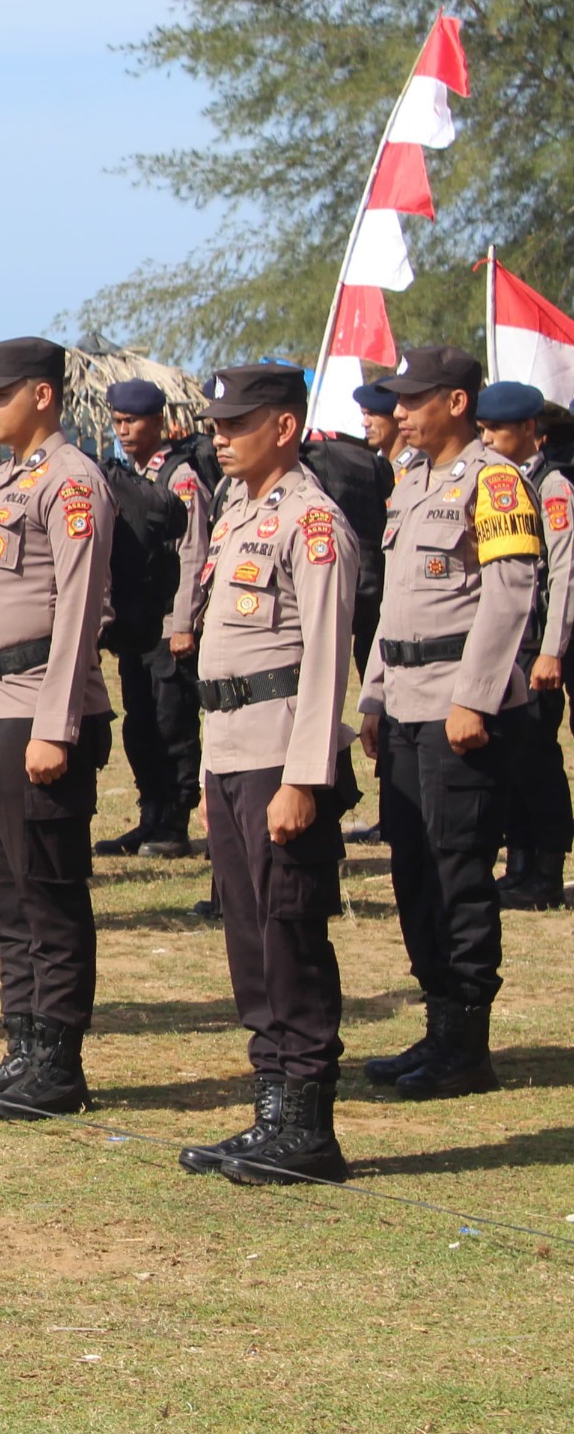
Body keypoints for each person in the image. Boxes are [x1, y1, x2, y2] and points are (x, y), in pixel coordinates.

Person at [174, 364, 358, 1186]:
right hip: (233, 751)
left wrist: (304, 778)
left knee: (289, 935)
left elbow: (324, 660)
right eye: (217, 420)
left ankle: (310, 1126)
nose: (220, 433)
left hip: (282, 756)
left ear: (284, 427)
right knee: (250, 938)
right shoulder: (239, 513)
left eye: (238, 421)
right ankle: (272, 1111)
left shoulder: (311, 520)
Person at [0, 337, 115, 1119]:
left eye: (0, 394)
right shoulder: (3, 478)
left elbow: (79, 607)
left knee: (48, 892)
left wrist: (56, 723)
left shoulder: (72, 481)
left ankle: (59, 1062)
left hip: (33, 704)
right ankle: (23, 1044)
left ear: (43, 395)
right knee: (3, 890)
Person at [359, 345, 541, 1099]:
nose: (399, 410)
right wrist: (371, 694)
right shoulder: (410, 481)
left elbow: (511, 592)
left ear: (457, 403)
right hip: (404, 700)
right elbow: (394, 602)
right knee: (411, 868)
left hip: (456, 705)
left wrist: (476, 696)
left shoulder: (494, 482)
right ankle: (437, 1026)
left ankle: (467, 1044)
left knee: (456, 867)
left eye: (414, 397)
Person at [475, 381, 573, 911]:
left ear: (530, 430)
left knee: (537, 757)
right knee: (507, 755)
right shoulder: (496, 481)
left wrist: (553, 649)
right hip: (503, 644)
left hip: (535, 643)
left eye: (497, 429)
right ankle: (518, 861)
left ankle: (547, 868)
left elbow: (564, 572)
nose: (487, 437)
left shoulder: (552, 487)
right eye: (483, 428)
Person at [98, 378, 205, 860]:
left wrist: (184, 621)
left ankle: (174, 823)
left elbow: (193, 551)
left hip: (168, 623)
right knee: (140, 723)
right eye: (118, 422)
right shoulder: (125, 477)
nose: (123, 430)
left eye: (132, 421)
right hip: (138, 622)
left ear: (158, 421)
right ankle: (149, 815)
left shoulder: (178, 477)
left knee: (172, 723)